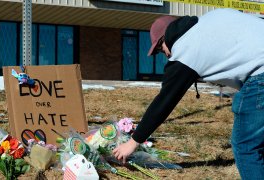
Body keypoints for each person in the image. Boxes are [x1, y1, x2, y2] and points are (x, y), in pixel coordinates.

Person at [112, 8, 264, 179]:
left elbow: (164, 102)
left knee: (246, 146)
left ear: (166, 39)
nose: (167, 55)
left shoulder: (185, 51)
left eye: (161, 50)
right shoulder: (208, 21)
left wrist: (133, 143)